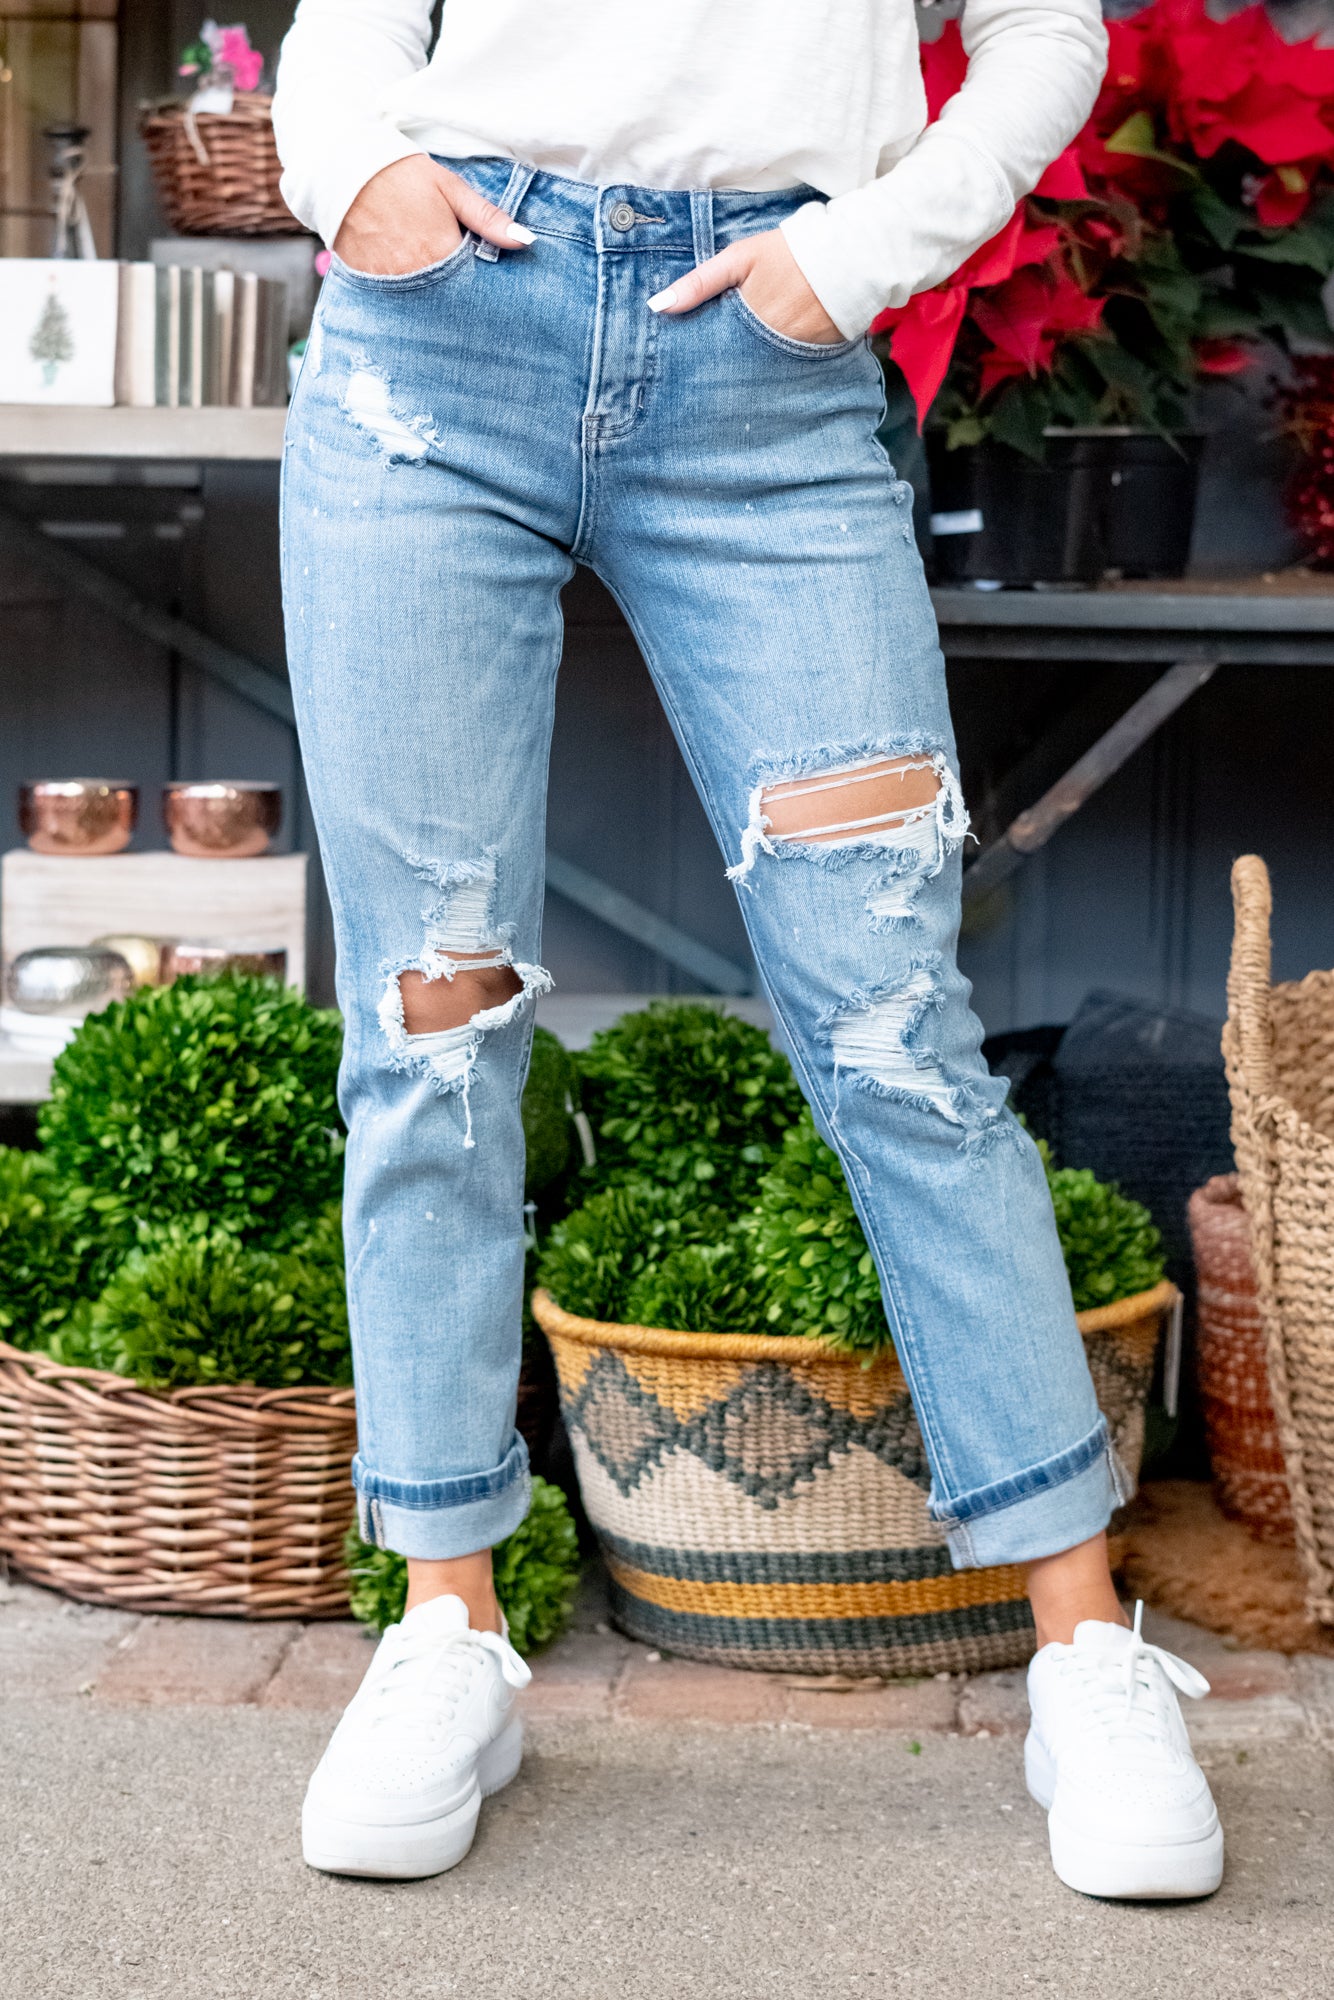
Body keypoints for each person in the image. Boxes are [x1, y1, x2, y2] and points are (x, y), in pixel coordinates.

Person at [272, 0, 1224, 1900]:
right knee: (431, 1022)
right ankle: (447, 1624)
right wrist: (359, 175)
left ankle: (1082, 1650)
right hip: (433, 359)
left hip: (761, 386)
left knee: (895, 1031)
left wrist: (863, 251)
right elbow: (345, 25)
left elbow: (1045, 29)